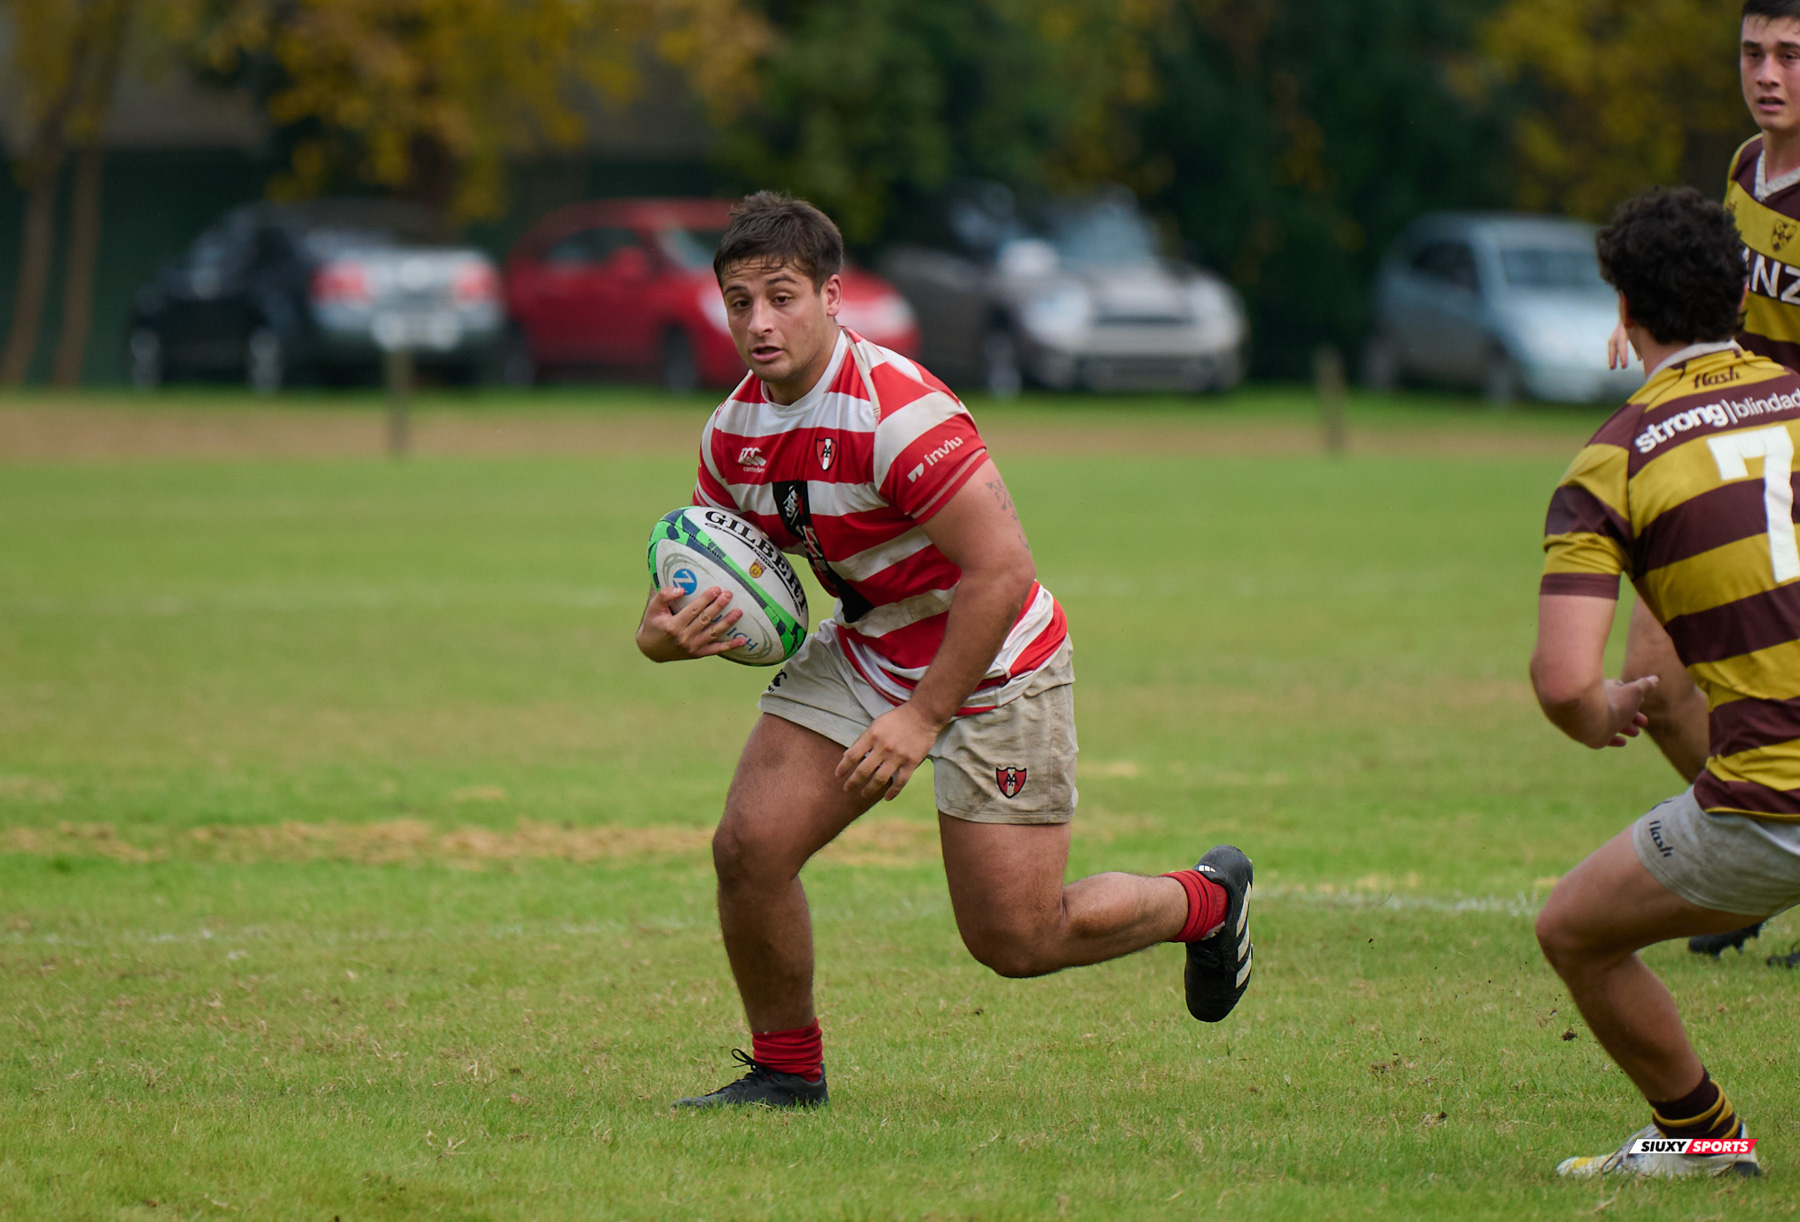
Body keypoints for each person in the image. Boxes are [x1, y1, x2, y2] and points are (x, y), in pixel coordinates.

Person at [635, 192, 1255, 1109]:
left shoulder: (899, 413)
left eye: (782, 296)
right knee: (749, 848)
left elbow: (1003, 573)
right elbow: (731, 573)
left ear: (833, 296)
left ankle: (1207, 902)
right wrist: (665, 634)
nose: (759, 322)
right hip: (871, 641)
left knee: (1016, 939)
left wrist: (923, 716)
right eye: (739, 301)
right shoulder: (732, 435)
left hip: (997, 657)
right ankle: (787, 1074)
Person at [1531, 185, 1800, 1178]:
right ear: (1740, 293)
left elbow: (1567, 681)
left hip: (1773, 808)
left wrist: (1600, 709)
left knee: (1574, 930)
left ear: (1624, 312)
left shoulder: (1610, 465)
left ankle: (1704, 1136)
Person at [1610, 0, 1800, 958]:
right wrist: (1650, 320)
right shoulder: (1742, 171)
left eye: (1790, 55)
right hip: (1726, 467)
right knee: (1656, 686)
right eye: (1753, 52)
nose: (1767, 73)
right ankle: (1754, 870)